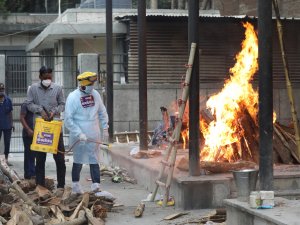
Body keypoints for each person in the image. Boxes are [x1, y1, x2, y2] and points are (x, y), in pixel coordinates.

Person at [64, 71, 109, 194]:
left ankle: (96, 184)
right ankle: (75, 184)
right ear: (82, 85)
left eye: (93, 84)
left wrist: (105, 127)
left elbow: (102, 112)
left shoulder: (95, 95)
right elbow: (68, 119)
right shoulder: (73, 97)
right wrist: (79, 133)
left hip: (93, 132)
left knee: (94, 159)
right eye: (90, 84)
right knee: (78, 159)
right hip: (79, 135)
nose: (92, 87)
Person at [26, 66, 66, 189]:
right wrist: (39, 110)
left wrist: (54, 112)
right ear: (40, 77)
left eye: (50, 77)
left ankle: (61, 186)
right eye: (45, 77)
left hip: (55, 128)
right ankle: (40, 187)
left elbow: (62, 104)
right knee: (40, 160)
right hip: (41, 129)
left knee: (59, 158)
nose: (48, 79)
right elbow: (28, 104)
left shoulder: (58, 88)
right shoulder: (33, 88)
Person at [20, 87, 36, 179]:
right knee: (29, 154)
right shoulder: (25, 104)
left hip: (37, 133)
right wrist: (28, 130)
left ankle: (34, 173)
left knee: (35, 154)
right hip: (28, 134)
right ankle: (29, 174)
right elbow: (22, 118)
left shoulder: (37, 103)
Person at [0, 83, 14, 166]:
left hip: (7, 125)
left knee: (7, 142)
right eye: (0, 89)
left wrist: (12, 124)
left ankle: (6, 159)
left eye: (2, 89)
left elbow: (10, 113)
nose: (1, 91)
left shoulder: (8, 100)